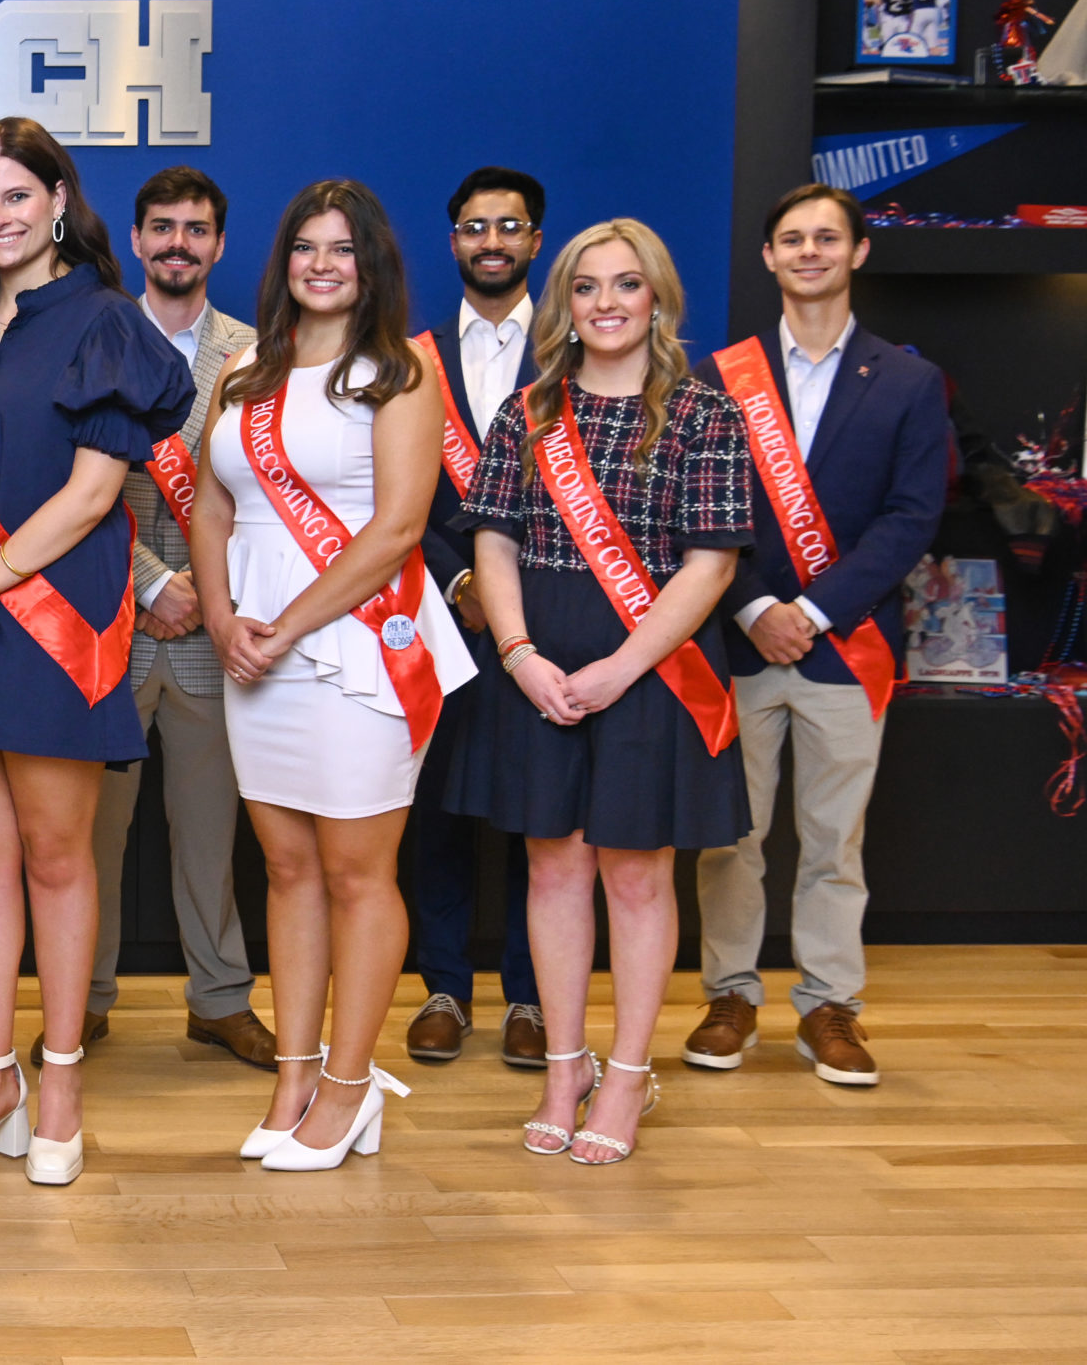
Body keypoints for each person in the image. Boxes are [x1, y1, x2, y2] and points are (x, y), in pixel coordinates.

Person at [0, 116, 193, 1193]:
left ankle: (57, 1079)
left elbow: (96, 492)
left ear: (59, 200)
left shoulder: (107, 322)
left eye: (17, 195)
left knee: (58, 857)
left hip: (52, 617)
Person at [449, 217, 750, 1167]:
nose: (607, 303)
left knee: (635, 872)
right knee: (553, 868)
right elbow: (492, 541)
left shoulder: (703, 414)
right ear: (565, 303)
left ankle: (627, 1074)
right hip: (540, 664)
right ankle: (564, 1067)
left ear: (657, 297)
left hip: (651, 667)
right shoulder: (527, 412)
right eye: (587, 287)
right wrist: (520, 652)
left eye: (627, 284)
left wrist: (625, 665)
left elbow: (711, 566)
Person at [189, 179, 474, 1173]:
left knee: (358, 872)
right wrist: (224, 617)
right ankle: (295, 1073)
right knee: (284, 867)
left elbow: (398, 527)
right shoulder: (241, 372)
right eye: (305, 246)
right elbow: (213, 507)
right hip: (251, 644)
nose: (320, 263)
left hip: (360, 643)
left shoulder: (398, 375)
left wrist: (285, 626)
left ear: (371, 266)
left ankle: (351, 1086)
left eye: (341, 249)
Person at [685, 183, 948, 1086]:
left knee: (836, 840)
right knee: (731, 834)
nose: (809, 252)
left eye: (826, 238)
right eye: (791, 238)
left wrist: (818, 609)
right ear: (768, 257)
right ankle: (731, 994)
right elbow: (703, 511)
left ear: (858, 252)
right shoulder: (718, 376)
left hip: (847, 642)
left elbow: (912, 517)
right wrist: (758, 606)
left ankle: (831, 1007)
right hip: (740, 639)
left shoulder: (909, 379)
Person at [73, 164, 272, 1074]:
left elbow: (268, 496)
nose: (177, 243)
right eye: (162, 227)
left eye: (196, 229)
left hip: (212, 632)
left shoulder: (258, 352)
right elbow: (67, 483)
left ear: (219, 244)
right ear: (136, 238)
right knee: (88, 837)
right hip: (110, 625)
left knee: (211, 834)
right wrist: (156, 582)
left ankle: (220, 999)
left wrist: (205, 595)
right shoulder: (90, 333)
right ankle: (84, 998)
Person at [403, 167, 547, 1069]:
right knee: (439, 811)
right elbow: (394, 494)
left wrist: (518, 600)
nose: (490, 241)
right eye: (473, 227)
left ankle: (532, 998)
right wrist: (462, 586)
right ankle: (445, 987)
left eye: (509, 226)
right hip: (443, 614)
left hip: (553, 614)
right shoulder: (411, 357)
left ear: (536, 240)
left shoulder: (575, 347)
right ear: (452, 240)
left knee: (544, 814)